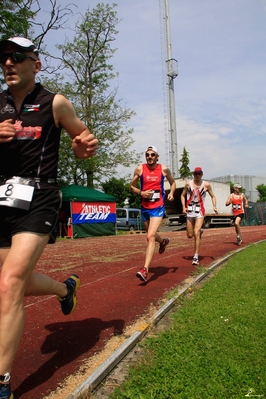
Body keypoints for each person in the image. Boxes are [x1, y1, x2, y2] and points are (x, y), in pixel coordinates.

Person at [0, 36, 98, 398]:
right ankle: (64, 288)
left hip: (38, 196)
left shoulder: (54, 102)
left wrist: (83, 146)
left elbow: (84, 137)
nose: (8, 63)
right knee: (13, 283)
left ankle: (2, 383)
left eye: (17, 57)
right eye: (4, 58)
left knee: (9, 283)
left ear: (35, 64)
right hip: (1, 200)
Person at [130, 145, 176, 282]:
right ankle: (163, 241)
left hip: (158, 206)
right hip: (145, 206)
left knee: (150, 236)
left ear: (157, 156)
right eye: (147, 155)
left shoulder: (163, 169)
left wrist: (172, 193)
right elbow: (131, 186)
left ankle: (145, 270)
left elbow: (173, 183)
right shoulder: (140, 168)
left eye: (152, 155)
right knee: (151, 235)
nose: (149, 157)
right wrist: (141, 192)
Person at [181, 167, 218, 266]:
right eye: (195, 174)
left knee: (196, 232)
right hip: (190, 211)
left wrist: (214, 206)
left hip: (200, 212)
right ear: (193, 174)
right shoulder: (188, 184)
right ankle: (199, 231)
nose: (197, 175)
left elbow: (213, 196)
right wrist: (184, 207)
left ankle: (196, 256)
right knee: (189, 235)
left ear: (202, 174)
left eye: (199, 174)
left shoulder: (206, 185)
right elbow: (182, 195)